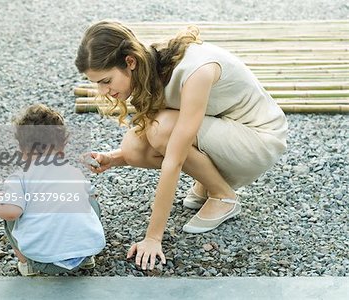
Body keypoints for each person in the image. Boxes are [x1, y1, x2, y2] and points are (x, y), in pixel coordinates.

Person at [75, 20, 288, 271]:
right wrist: (114, 158)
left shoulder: (195, 70)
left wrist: (153, 237)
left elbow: (173, 158)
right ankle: (209, 183)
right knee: (134, 145)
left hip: (258, 142)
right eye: (97, 83)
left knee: (161, 129)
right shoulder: (149, 67)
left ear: (129, 62)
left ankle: (224, 195)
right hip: (228, 135)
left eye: (106, 80)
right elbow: (157, 147)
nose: (104, 90)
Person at [0, 103, 106, 276]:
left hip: (43, 261)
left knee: (9, 212)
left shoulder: (20, 177)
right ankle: (86, 258)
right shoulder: (73, 172)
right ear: (62, 146)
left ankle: (26, 264)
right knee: (90, 201)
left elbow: (12, 213)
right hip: (84, 253)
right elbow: (89, 194)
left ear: (22, 149)